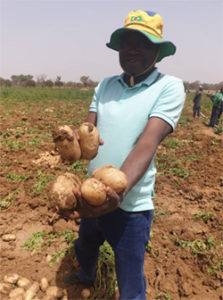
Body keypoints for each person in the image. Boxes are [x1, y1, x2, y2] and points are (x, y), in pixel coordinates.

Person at [61, 10, 185, 300]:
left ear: (158, 51)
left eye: (144, 42)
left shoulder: (169, 87)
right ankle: (86, 274)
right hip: (93, 195)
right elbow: (88, 132)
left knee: (130, 279)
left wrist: (118, 192)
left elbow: (147, 143)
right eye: (127, 40)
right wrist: (68, 143)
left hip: (131, 205)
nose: (133, 48)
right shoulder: (105, 85)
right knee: (85, 245)